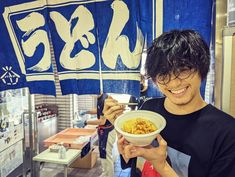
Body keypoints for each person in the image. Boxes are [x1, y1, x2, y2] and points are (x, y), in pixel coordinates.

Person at [102, 30, 235, 177]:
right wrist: (125, 133)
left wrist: (162, 166)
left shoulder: (227, 132)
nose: (174, 82)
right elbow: (134, 161)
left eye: (183, 70)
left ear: (201, 70)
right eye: (164, 74)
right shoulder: (149, 109)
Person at [79, 93, 117, 177]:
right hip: (104, 130)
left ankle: (109, 175)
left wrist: (86, 122)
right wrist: (87, 111)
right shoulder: (101, 98)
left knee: (106, 156)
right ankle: (105, 173)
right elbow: (98, 110)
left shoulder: (105, 99)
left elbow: (102, 121)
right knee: (103, 154)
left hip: (108, 131)